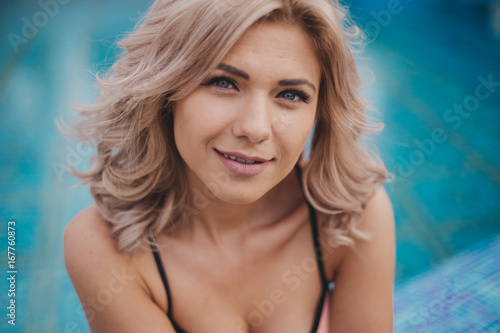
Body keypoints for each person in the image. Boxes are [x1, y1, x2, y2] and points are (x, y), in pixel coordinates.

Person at [63, 0, 395, 332]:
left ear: (321, 110)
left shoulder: (352, 216)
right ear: (163, 90)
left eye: (291, 94)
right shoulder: (100, 246)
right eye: (223, 82)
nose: (255, 128)